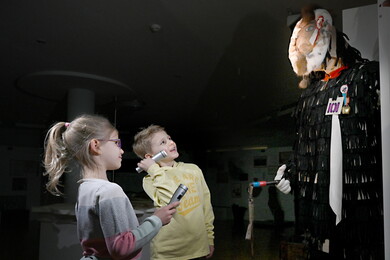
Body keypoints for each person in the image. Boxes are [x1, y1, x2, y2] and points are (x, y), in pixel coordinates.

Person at [274, 5, 384, 259]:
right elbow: (304, 143)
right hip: (319, 207)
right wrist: (291, 170)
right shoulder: (310, 95)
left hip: (362, 201)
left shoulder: (366, 77)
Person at [43, 114, 179, 260]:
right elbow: (121, 248)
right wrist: (157, 220)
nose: (121, 151)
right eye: (116, 143)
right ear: (96, 146)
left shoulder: (85, 188)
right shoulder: (109, 191)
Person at [133, 125, 215, 260]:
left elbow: (206, 206)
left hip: (198, 247)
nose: (171, 143)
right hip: (168, 252)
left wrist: (210, 238)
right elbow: (171, 200)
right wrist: (153, 169)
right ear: (150, 157)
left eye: (169, 138)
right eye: (163, 142)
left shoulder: (193, 170)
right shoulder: (150, 179)